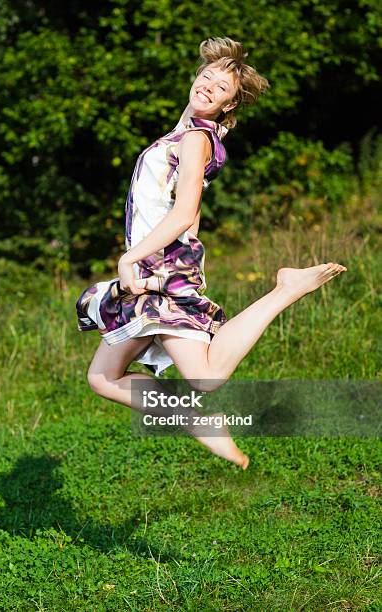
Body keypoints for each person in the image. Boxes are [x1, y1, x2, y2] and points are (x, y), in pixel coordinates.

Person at [76, 36, 347, 469]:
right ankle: (197, 422)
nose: (208, 87)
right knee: (103, 378)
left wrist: (132, 259)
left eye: (221, 88)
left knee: (206, 376)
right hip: (156, 265)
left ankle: (284, 289)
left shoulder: (196, 139)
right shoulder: (185, 136)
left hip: (156, 267)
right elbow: (190, 210)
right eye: (206, 77)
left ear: (227, 107)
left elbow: (184, 212)